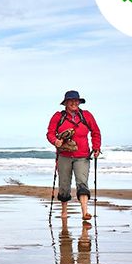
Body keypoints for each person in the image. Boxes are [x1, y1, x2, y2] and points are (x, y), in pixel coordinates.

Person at [47, 90, 101, 220]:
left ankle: (85, 212)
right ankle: (64, 211)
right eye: (71, 101)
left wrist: (96, 147)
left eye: (76, 101)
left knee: (82, 182)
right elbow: (50, 133)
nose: (74, 103)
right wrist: (55, 141)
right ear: (65, 103)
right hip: (64, 155)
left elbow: (95, 132)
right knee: (64, 184)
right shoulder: (58, 117)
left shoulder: (86, 115)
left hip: (82, 156)